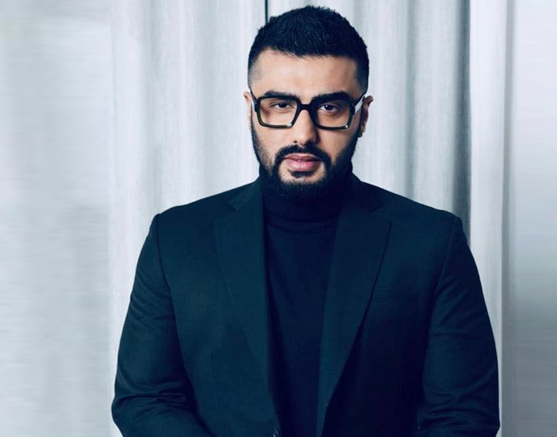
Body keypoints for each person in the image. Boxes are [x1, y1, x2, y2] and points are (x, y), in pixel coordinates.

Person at [112, 6, 499, 437]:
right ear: (250, 108)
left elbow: (465, 415)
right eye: (280, 105)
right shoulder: (176, 240)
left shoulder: (432, 242)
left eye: (330, 107)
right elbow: (144, 399)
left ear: (362, 115)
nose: (303, 133)